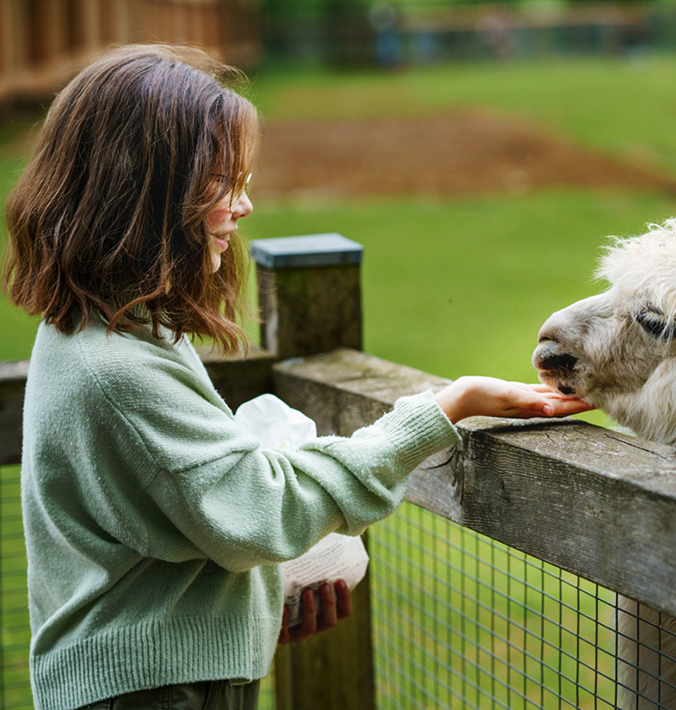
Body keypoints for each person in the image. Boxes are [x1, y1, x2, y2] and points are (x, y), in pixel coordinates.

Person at [3, 44, 591, 710]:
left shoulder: (98, 333)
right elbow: (262, 512)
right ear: (145, 190)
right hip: (152, 694)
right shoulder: (116, 368)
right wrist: (442, 408)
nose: (245, 205)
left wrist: (246, 611)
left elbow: (173, 519)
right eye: (223, 181)